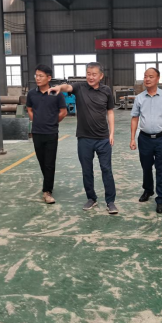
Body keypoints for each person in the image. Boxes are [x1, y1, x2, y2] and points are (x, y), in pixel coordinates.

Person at [48, 63, 118, 215]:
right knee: (87, 170)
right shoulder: (80, 87)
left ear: (101, 76)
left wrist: (111, 133)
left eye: (94, 74)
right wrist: (59, 87)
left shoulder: (106, 91)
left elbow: (110, 112)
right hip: (84, 138)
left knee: (106, 169)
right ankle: (91, 198)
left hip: (103, 138)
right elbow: (67, 87)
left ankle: (110, 201)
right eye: (88, 73)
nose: (90, 77)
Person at [130, 68, 162, 214]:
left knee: (161, 168)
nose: (147, 79)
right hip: (144, 138)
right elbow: (135, 118)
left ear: (158, 79)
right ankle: (148, 190)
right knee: (146, 167)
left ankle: (161, 199)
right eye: (145, 76)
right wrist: (132, 138)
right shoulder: (139, 98)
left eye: (151, 76)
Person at [26, 64, 68, 204]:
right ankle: (48, 183)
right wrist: (37, 121)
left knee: (49, 162)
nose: (37, 78)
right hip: (37, 132)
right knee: (42, 161)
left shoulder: (56, 94)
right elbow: (29, 109)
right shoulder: (32, 94)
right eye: (36, 75)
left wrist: (52, 122)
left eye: (41, 76)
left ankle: (47, 191)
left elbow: (63, 112)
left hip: (51, 133)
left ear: (49, 78)